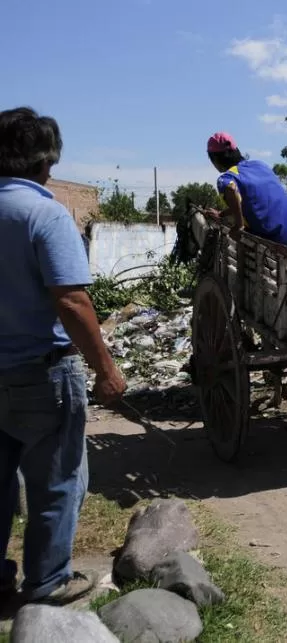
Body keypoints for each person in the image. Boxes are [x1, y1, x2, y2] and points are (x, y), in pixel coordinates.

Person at [0, 107, 126, 605]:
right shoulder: (44, 213)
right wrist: (106, 370)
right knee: (57, 481)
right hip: (42, 375)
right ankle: (48, 582)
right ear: (46, 162)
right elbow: (72, 301)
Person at [205, 132, 287, 253]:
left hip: (277, 248)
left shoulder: (227, 178)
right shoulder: (260, 165)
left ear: (215, 159)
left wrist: (238, 225)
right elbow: (250, 201)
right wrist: (221, 214)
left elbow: (231, 189)